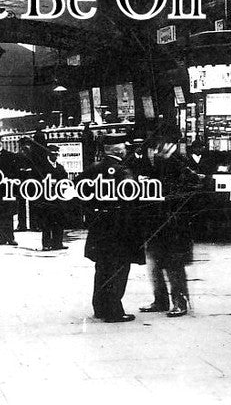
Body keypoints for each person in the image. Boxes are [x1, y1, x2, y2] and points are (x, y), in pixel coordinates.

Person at [79, 138, 144, 323]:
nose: (126, 151)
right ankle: (114, 311)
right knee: (119, 268)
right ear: (118, 151)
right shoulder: (123, 170)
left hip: (100, 227)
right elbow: (132, 196)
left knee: (102, 267)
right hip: (120, 228)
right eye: (124, 148)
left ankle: (100, 307)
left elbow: (77, 188)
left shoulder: (93, 168)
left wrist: (91, 211)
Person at [139, 133, 201, 316]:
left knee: (173, 263)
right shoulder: (154, 162)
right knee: (154, 263)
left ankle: (180, 302)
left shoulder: (178, 163)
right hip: (156, 220)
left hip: (174, 223)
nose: (155, 152)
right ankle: (160, 300)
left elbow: (192, 186)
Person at [40, 144, 69, 251]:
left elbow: (65, 180)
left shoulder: (60, 167)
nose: (55, 156)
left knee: (59, 220)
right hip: (47, 198)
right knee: (47, 222)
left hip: (58, 198)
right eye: (53, 154)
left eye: (57, 154)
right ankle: (46, 244)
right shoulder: (42, 167)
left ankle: (58, 243)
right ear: (49, 154)